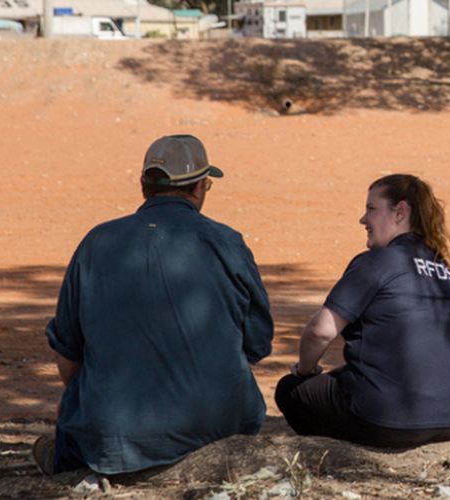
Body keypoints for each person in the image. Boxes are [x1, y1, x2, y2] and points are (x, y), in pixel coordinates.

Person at [33, 134, 274, 476]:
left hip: (115, 436)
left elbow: (67, 352)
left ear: (144, 186)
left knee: (68, 430)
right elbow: (257, 343)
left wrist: (81, 403)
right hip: (221, 424)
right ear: (199, 188)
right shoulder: (227, 242)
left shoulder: (97, 242)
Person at [275, 174, 450, 448]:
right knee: (350, 375)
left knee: (291, 390)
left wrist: (304, 371)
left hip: (385, 420)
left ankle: (333, 454)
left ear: (400, 212)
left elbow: (319, 332)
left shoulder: (376, 262)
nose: (363, 219)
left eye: (371, 208)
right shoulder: (449, 273)